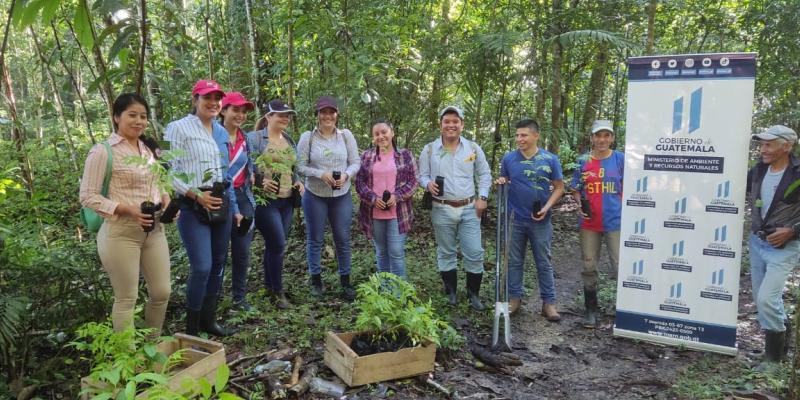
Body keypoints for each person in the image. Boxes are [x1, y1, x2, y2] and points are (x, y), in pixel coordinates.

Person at [79, 93, 171, 335]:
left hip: (154, 231)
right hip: (121, 233)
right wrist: (128, 209)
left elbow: (157, 182)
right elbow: (87, 196)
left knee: (162, 292)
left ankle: (151, 348)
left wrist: (165, 197)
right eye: (132, 115)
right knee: (126, 298)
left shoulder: (147, 149)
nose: (139, 121)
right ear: (116, 117)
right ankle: (127, 361)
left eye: (143, 116)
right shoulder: (103, 151)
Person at [165, 79, 242, 336]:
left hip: (221, 203)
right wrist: (197, 195)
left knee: (219, 263)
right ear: (195, 99)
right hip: (192, 205)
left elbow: (225, 171)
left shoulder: (220, 132)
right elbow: (169, 171)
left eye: (217, 98)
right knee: (202, 266)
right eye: (207, 97)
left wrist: (234, 206)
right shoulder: (179, 128)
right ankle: (191, 327)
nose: (213, 102)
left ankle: (209, 319)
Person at [419, 105, 492, 310]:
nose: (451, 125)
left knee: (474, 251)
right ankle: (450, 291)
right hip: (441, 207)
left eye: (455, 121)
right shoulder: (430, 149)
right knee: (446, 251)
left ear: (462, 124)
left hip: (469, 207)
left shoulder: (473, 149)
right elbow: (421, 175)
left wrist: (483, 197)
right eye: (447, 121)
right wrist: (427, 184)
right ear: (440, 125)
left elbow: (484, 174)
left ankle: (473, 294)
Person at [495, 119, 564, 321]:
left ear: (536, 135)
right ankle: (514, 300)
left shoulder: (550, 159)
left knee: (544, 261)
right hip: (514, 219)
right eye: (517, 135)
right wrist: (501, 182)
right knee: (514, 261)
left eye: (523, 135)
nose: (519, 139)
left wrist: (547, 207)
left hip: (540, 221)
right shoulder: (509, 159)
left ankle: (549, 303)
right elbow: (505, 180)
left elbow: (559, 187)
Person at [296, 96, 361, 301]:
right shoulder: (308, 137)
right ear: (317, 115)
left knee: (342, 238)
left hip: (341, 195)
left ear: (337, 114)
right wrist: (319, 174)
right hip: (315, 194)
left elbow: (355, 162)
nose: (327, 116)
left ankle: (345, 281)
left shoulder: (345, 136)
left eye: (331, 112)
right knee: (315, 238)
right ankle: (316, 281)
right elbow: (299, 166)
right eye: (323, 112)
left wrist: (346, 175)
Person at [747, 125, 800, 369]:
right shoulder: (758, 170)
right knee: (763, 299)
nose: (763, 149)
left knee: (767, 298)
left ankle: (773, 360)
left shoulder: (797, 173)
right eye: (762, 144)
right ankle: (778, 348)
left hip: (784, 247)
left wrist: (793, 231)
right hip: (758, 243)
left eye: (769, 144)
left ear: (786, 146)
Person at [247, 99, 305, 309]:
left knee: (275, 245)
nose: (285, 118)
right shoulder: (254, 139)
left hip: (287, 200)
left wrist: (298, 182)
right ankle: (278, 293)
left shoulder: (289, 139)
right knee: (279, 244)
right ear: (268, 116)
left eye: (287, 115)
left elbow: (294, 167)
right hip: (266, 201)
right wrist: (261, 181)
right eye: (280, 115)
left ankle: (270, 285)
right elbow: (245, 167)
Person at [570, 120, 624, 328]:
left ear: (612, 138)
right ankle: (591, 310)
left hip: (615, 222)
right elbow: (576, 188)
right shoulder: (583, 161)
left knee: (619, 265)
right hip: (589, 223)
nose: (602, 140)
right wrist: (579, 203)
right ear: (591, 138)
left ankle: (624, 310)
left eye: (606, 135)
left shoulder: (620, 159)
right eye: (598, 135)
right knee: (589, 265)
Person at [355, 120, 418, 279]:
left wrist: (397, 196)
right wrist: (373, 198)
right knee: (382, 252)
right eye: (376, 134)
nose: (380, 136)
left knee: (396, 252)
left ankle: (399, 293)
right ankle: (384, 289)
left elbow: (414, 181)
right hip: (374, 213)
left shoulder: (405, 155)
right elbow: (359, 182)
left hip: (398, 213)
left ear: (392, 133)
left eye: (384, 132)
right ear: (372, 137)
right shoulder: (367, 157)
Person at [219, 92, 257, 312]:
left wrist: (253, 175)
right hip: (221, 197)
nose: (240, 115)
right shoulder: (214, 136)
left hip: (243, 196)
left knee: (242, 249)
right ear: (223, 110)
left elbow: (248, 163)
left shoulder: (245, 138)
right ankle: (214, 297)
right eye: (235, 110)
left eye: (243, 111)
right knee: (220, 251)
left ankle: (239, 298)